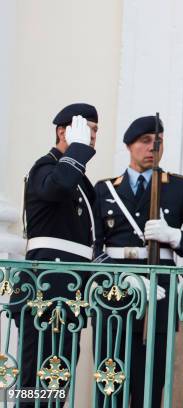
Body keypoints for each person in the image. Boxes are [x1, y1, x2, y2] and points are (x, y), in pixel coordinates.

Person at [92, 115, 183, 408]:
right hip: (115, 291)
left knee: (151, 378)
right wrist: (119, 276)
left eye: (157, 142)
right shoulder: (106, 189)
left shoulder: (179, 187)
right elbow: (93, 245)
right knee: (111, 375)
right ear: (129, 146)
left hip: (160, 291)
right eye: (144, 141)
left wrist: (175, 237)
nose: (152, 148)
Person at [11, 103, 99, 406]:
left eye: (95, 132)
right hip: (44, 291)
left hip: (69, 292)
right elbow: (57, 187)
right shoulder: (45, 168)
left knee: (56, 382)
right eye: (88, 130)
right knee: (34, 382)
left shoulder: (81, 179)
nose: (92, 138)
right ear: (63, 131)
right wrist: (76, 149)